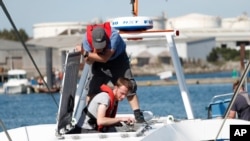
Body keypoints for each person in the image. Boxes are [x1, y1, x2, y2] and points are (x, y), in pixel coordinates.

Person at [76, 22, 145, 123]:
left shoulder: (114, 36)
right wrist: (93, 53)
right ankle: (90, 116)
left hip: (117, 59)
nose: (100, 48)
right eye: (98, 46)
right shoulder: (86, 40)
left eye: (102, 46)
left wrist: (86, 53)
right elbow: (89, 62)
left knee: (129, 86)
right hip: (97, 61)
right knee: (92, 88)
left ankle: (138, 114)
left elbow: (105, 58)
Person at [68, 77, 135, 133]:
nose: (123, 97)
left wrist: (120, 121)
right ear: (116, 88)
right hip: (85, 130)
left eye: (125, 95)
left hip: (94, 128)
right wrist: (120, 119)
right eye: (122, 93)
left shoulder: (114, 100)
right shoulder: (105, 98)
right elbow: (100, 121)